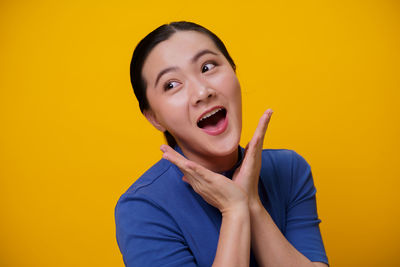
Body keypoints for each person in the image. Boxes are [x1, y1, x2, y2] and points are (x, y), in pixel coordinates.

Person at [115, 21, 329, 267]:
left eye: (207, 67)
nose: (202, 92)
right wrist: (234, 210)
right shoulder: (143, 208)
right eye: (172, 84)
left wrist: (251, 203)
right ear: (154, 118)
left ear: (234, 71)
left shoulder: (289, 170)